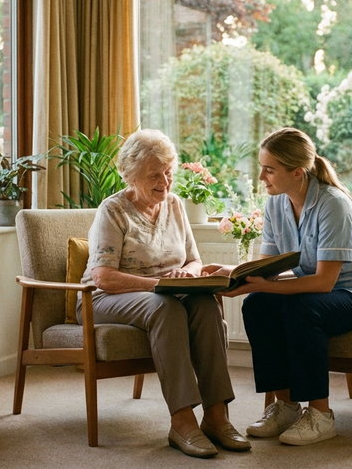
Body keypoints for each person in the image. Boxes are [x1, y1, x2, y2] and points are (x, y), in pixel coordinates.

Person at [204, 127, 352, 446]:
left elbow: (324, 282)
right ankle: (286, 406)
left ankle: (321, 415)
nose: (261, 177)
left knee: (301, 308)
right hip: (321, 294)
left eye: (269, 169)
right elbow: (268, 269)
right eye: (262, 167)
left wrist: (262, 286)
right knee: (257, 304)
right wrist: (232, 273)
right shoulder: (275, 204)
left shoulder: (333, 204)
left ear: (297, 172)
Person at [79, 129, 249, 459]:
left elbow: (194, 259)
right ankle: (182, 422)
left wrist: (188, 274)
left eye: (168, 172)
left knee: (205, 304)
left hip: (166, 293)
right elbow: (102, 276)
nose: (165, 182)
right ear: (130, 175)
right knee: (165, 307)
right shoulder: (113, 211)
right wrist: (159, 284)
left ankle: (217, 417)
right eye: (154, 175)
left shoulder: (174, 205)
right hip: (103, 299)